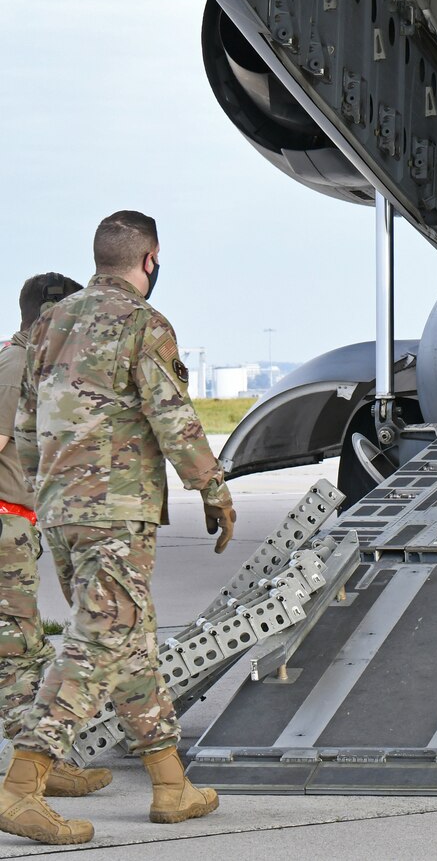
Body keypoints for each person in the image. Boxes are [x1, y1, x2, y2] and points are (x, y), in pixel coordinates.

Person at [0, 212, 238, 846]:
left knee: (129, 640)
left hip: (59, 509)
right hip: (115, 510)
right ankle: (23, 785)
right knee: (103, 639)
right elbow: (173, 416)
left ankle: (170, 784)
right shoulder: (143, 323)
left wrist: (42, 488)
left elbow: (26, 420)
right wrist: (212, 488)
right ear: (150, 259)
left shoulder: (50, 321)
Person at [0, 275, 109, 801]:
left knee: (23, 646)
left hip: (20, 521)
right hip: (6, 523)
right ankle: (34, 775)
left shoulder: (29, 360)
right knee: (18, 650)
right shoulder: (18, 363)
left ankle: (43, 763)